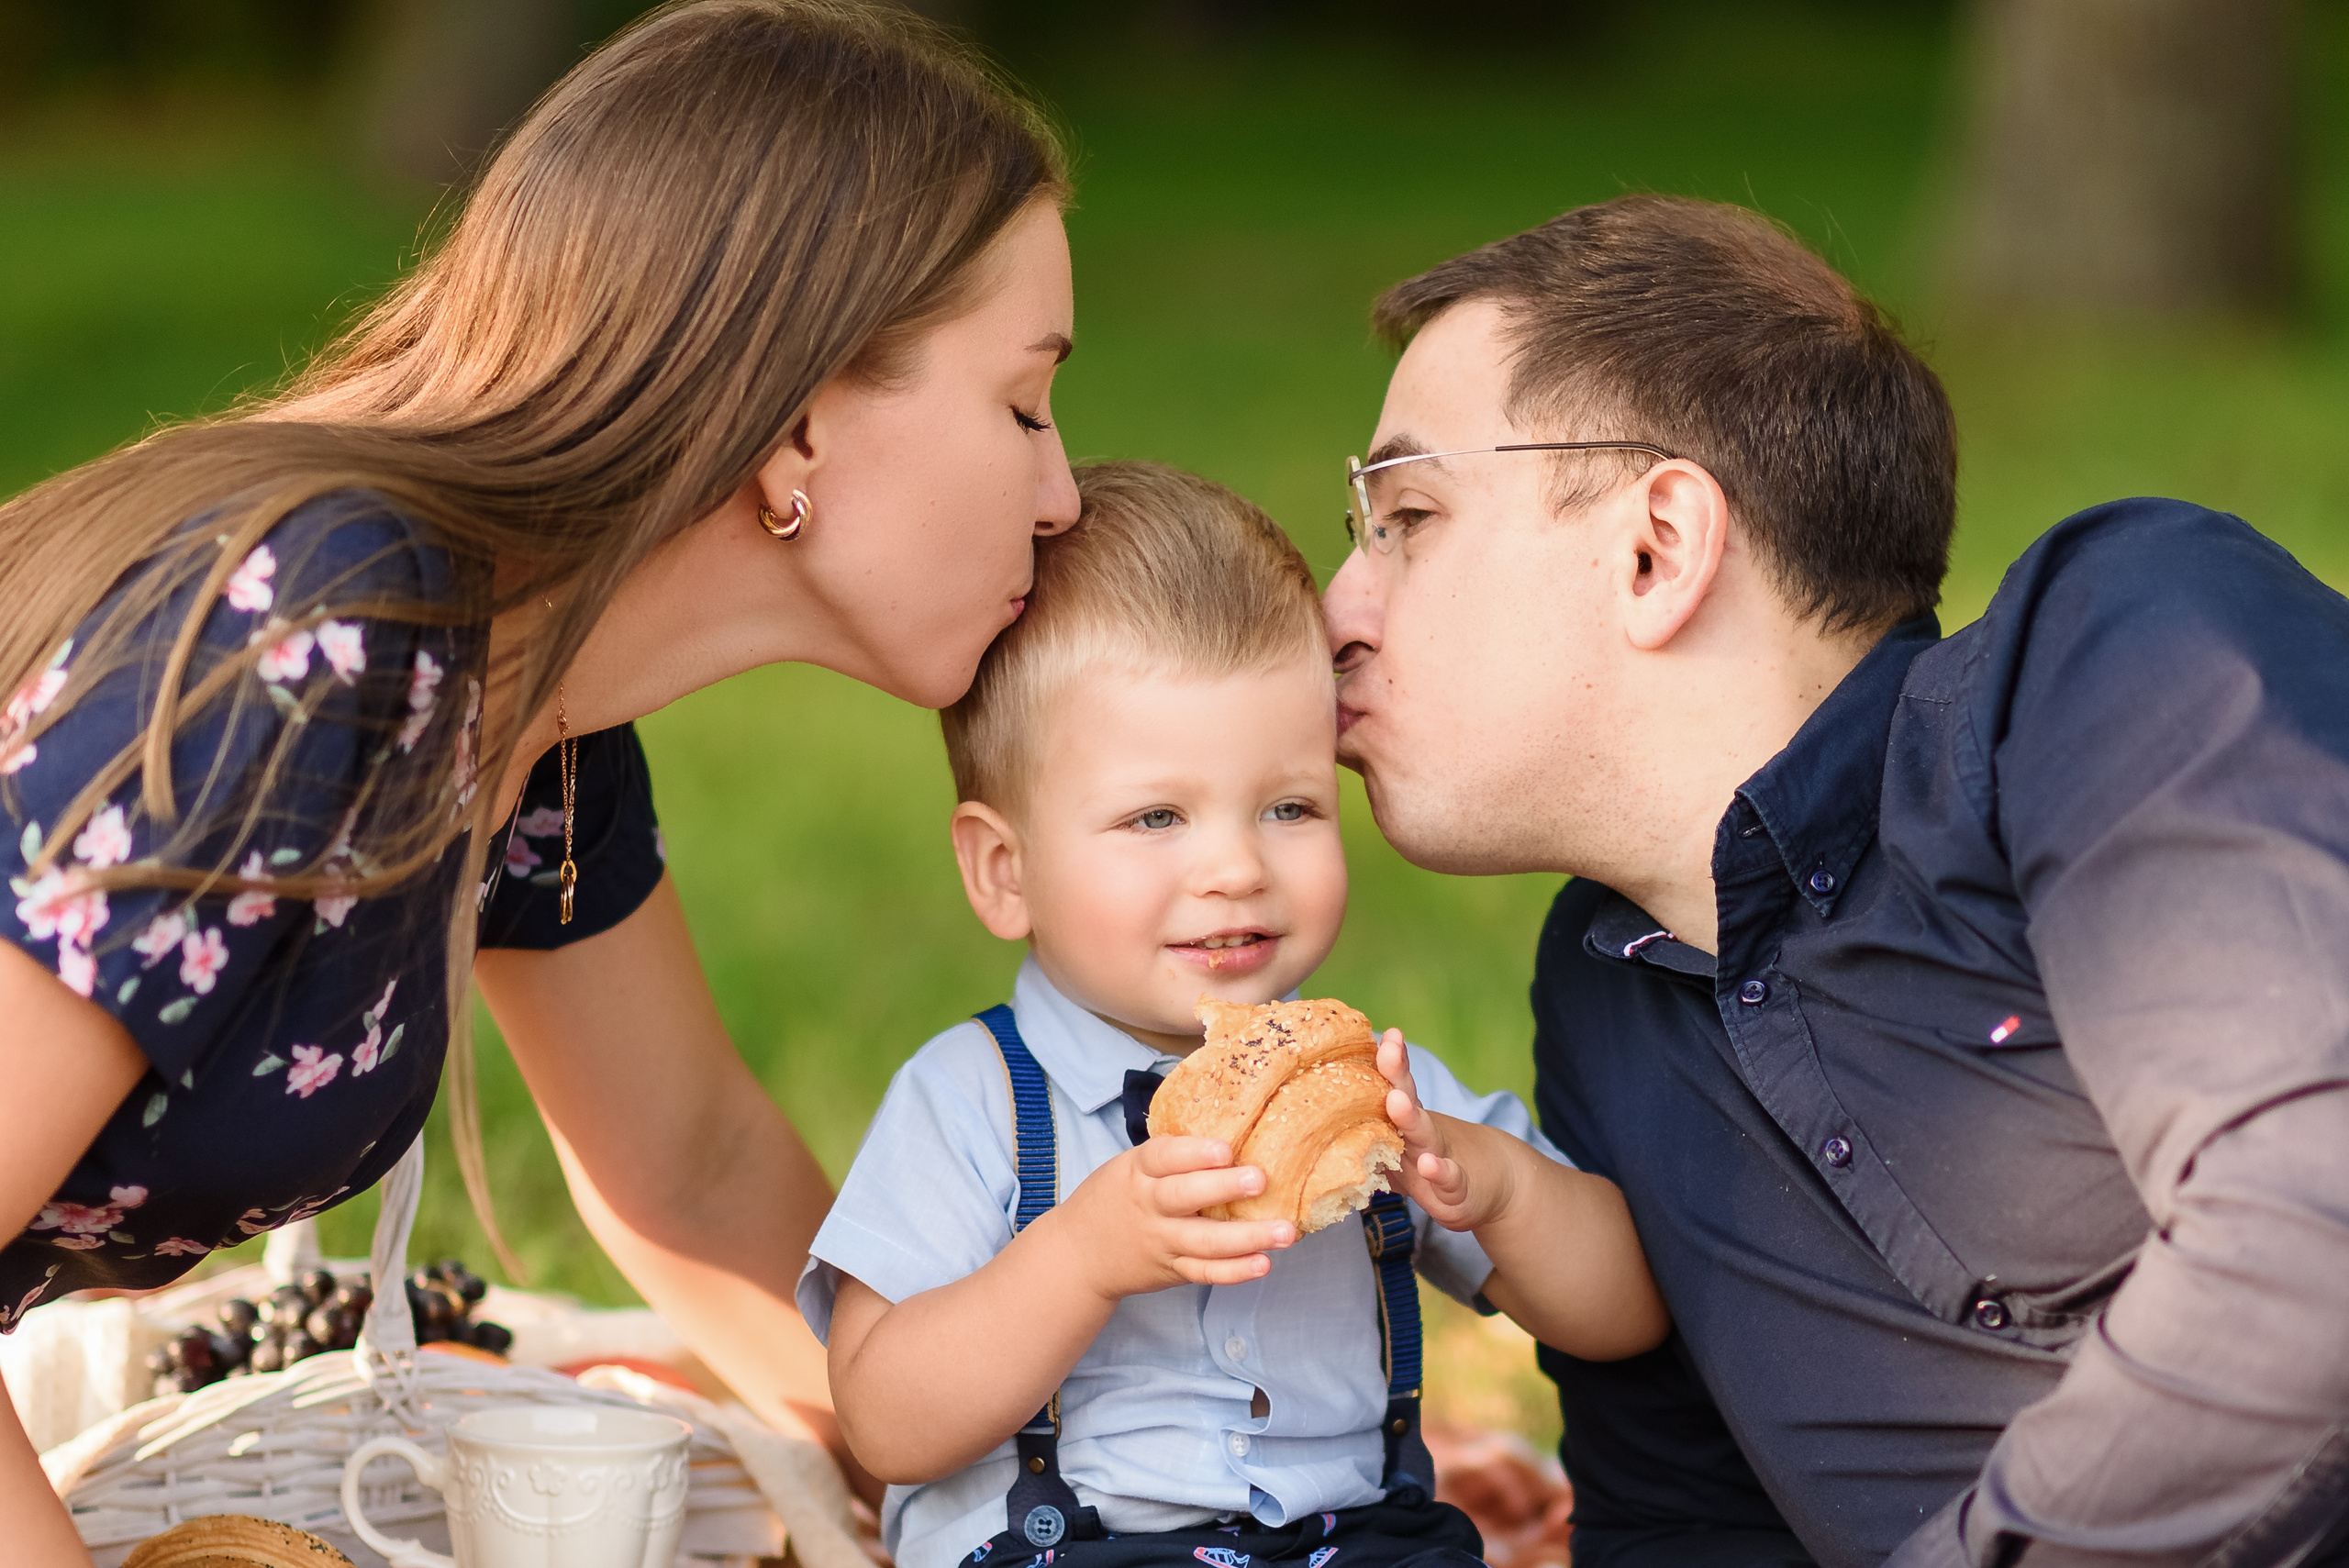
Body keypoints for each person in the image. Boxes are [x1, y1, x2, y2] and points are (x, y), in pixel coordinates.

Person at [0, 2, 1081, 1557]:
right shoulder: (323, 630)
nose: (1059, 490)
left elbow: (694, 1168)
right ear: (798, 421)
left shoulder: (525, 707)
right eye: (1025, 400)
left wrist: (1107, 1487)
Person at [1323, 192, 2349, 1568]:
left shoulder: (2115, 659)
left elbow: (2315, 1226)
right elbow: (1688, 1529)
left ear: (1656, 547)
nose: (1340, 610)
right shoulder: (1610, 1000)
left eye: (1407, 514)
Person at [796, 461, 1668, 1568]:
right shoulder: (968, 1094)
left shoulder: (1367, 1085)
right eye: (1156, 814)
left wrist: (1494, 1186)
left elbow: (1623, 1311)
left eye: (1289, 805)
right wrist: (1080, 1259)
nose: (1234, 867)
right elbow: (883, 1418)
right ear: (1004, 870)